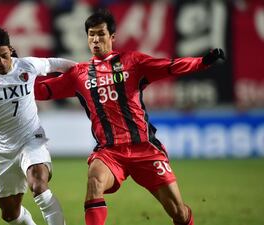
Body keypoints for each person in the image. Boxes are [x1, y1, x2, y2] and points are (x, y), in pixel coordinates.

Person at [34, 9, 225, 225]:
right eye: (91, 34)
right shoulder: (79, 74)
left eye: (100, 34)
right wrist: (11, 78)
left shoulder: (132, 62)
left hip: (144, 148)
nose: (95, 39)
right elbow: (41, 90)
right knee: (94, 181)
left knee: (178, 213)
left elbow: (169, 67)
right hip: (110, 152)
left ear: (112, 37)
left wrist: (202, 62)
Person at [0, 26, 75, 225]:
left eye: (4, 55)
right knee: (10, 214)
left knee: (39, 186)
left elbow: (55, 63)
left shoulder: (26, 66)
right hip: (4, 149)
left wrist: (89, 71)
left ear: (11, 50)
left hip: (31, 139)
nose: (1, 62)